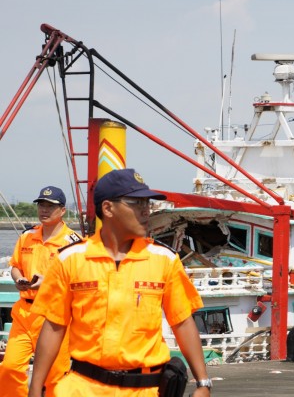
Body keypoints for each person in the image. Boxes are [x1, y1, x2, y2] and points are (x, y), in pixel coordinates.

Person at [28, 169, 211, 397]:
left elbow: (182, 322)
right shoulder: (70, 259)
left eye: (148, 202)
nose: (146, 210)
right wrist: (35, 388)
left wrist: (203, 383)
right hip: (82, 388)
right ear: (108, 208)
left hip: (146, 390)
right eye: (136, 202)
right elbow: (54, 327)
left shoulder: (164, 259)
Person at [0, 186, 81, 397]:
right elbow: (16, 264)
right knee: (9, 368)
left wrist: (47, 283)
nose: (44, 210)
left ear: (62, 210)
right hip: (24, 314)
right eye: (41, 205)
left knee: (56, 376)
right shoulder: (27, 236)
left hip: (54, 317)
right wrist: (19, 280)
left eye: (50, 206)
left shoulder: (73, 243)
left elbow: (78, 279)